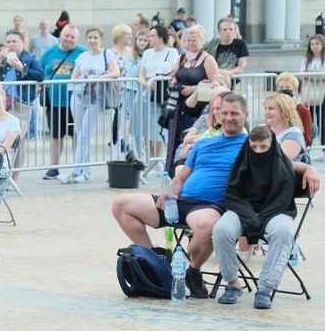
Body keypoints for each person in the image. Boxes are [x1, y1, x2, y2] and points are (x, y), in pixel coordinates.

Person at [111, 93, 250, 299]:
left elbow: (284, 163)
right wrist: (169, 191)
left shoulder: (251, 145)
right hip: (180, 201)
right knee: (121, 204)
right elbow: (182, 175)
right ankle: (156, 262)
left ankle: (192, 271)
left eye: (235, 113)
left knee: (206, 226)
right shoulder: (203, 144)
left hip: (209, 206)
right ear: (218, 114)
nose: (229, 117)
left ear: (245, 115)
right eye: (225, 112)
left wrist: (307, 170)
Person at [212, 126, 299, 310]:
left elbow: (283, 199)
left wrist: (260, 218)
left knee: (285, 232)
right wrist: (250, 216)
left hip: (275, 212)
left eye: (263, 147)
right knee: (221, 230)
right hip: (243, 211)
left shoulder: (282, 166)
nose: (258, 151)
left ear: (272, 145)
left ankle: (265, 289)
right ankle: (232, 283)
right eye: (254, 147)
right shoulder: (242, 163)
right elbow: (233, 195)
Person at [62, 26, 121, 183]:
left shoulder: (107, 54)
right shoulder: (82, 56)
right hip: (79, 96)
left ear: (101, 39)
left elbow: (116, 73)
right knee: (80, 133)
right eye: (90, 37)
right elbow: (74, 76)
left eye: (95, 37)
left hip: (97, 98)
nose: (92, 40)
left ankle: (77, 170)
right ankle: (85, 170)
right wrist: (83, 81)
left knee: (85, 134)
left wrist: (99, 78)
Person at [164, 25, 219, 174]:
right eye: (187, 40)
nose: (190, 43)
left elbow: (216, 82)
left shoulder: (208, 59)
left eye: (194, 40)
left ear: (202, 40)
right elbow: (174, 76)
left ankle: (190, 170)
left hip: (198, 107)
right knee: (175, 137)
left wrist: (194, 89)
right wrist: (173, 85)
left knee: (190, 137)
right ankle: (173, 170)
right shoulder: (182, 58)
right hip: (179, 106)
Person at [0, 29, 43, 178]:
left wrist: (21, 67)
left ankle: (14, 176)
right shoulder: (4, 59)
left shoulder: (30, 59)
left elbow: (40, 75)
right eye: (8, 41)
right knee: (2, 137)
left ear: (22, 42)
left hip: (21, 103)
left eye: (14, 41)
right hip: (2, 103)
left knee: (18, 140)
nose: (11, 44)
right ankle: (2, 173)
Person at [39, 25, 84, 180]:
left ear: (77, 39)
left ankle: (78, 166)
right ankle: (54, 167)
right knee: (56, 135)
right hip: (55, 101)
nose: (69, 39)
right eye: (66, 36)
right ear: (60, 36)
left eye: (72, 37)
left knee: (76, 134)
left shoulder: (82, 52)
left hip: (76, 101)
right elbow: (40, 72)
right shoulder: (49, 53)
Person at [136, 24, 177, 164]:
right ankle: (150, 157)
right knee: (146, 126)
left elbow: (173, 71)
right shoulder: (147, 53)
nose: (150, 38)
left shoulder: (171, 52)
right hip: (147, 92)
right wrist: (147, 84)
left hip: (162, 93)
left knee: (158, 126)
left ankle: (158, 158)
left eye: (152, 35)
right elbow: (141, 74)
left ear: (160, 37)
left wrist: (158, 80)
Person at [111, 24, 140, 160]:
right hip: (115, 90)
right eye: (126, 34)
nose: (130, 37)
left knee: (130, 119)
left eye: (130, 34)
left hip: (130, 90)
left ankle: (128, 144)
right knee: (117, 118)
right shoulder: (111, 52)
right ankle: (116, 144)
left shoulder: (132, 52)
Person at [299, 35, 325, 151]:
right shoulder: (305, 60)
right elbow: (302, 76)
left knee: (323, 122)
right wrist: (316, 76)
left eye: (317, 44)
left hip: (324, 94)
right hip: (309, 95)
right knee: (309, 122)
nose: (314, 46)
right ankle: (307, 148)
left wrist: (311, 75)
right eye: (312, 44)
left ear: (322, 45)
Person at [264, 91, 309, 164]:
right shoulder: (264, 130)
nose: (266, 112)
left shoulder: (294, 134)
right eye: (265, 108)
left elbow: (279, 161)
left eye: (271, 109)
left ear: (284, 111)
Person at [272, 74, 313, 153]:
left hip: (295, 147)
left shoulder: (302, 110)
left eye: (287, 87)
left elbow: (307, 138)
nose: (284, 90)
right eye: (281, 88)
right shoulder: (273, 108)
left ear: (295, 90)